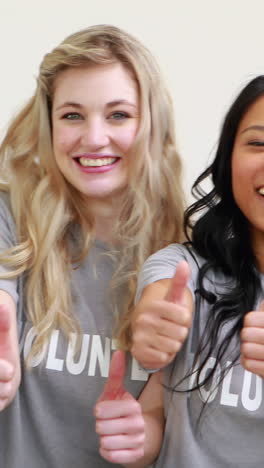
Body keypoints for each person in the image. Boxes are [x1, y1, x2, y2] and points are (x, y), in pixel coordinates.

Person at [0, 24, 185, 468]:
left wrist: (147, 441)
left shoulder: (189, 254)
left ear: (151, 124)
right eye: (72, 115)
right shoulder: (10, 218)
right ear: (48, 125)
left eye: (118, 115)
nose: (94, 138)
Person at [113, 75, 264, 468]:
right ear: (228, 159)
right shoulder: (185, 268)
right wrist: (133, 438)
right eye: (258, 143)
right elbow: (155, 413)